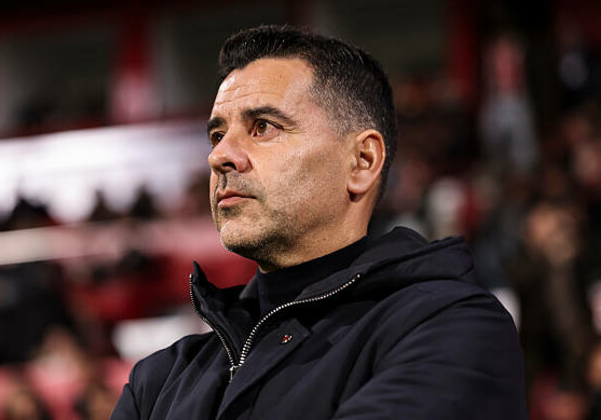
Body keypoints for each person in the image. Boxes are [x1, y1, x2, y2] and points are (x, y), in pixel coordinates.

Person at [111, 25, 527, 419]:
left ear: (362, 161)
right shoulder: (158, 380)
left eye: (263, 127)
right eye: (217, 135)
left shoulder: (452, 327)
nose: (219, 156)